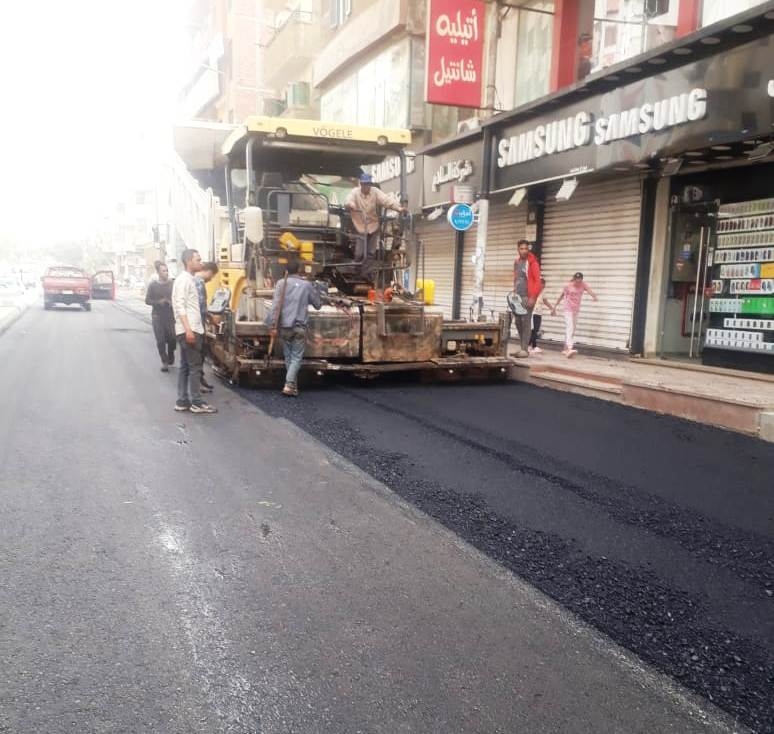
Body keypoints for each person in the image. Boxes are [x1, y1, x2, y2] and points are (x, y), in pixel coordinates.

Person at [265, 257, 322, 397]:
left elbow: (275, 307)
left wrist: (272, 325)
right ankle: (289, 384)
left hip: (284, 327)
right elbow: (318, 305)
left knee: (289, 357)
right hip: (300, 326)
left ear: (286, 270)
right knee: (296, 357)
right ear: (299, 270)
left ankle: (293, 387)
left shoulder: (280, 284)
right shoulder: (306, 285)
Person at [172, 249, 216, 413]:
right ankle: (197, 402)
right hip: (190, 331)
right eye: (198, 259)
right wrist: (189, 330)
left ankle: (182, 401)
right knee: (195, 367)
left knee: (185, 366)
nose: (201, 262)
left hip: (189, 329)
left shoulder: (188, 280)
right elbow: (180, 306)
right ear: (189, 261)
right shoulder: (185, 281)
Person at [344, 173, 405, 279]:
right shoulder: (355, 192)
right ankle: (357, 272)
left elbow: (386, 200)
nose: (366, 186)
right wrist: (351, 204)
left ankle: (367, 274)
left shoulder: (375, 192)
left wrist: (399, 208)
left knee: (371, 252)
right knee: (359, 253)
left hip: (373, 225)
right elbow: (348, 200)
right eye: (364, 184)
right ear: (361, 184)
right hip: (360, 226)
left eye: (368, 184)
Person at [555, 271, 598, 358]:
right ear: (574, 279)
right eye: (576, 281)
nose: (578, 283)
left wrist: (594, 296)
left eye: (580, 281)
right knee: (570, 327)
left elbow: (589, 291)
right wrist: (555, 307)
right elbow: (561, 296)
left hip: (576, 310)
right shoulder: (568, 286)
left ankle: (565, 349)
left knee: (572, 329)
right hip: (568, 309)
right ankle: (570, 348)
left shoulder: (583, 284)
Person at [511, 239, 542, 358]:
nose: (524, 251)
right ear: (518, 249)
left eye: (526, 248)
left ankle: (524, 349)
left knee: (526, 322)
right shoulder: (517, 261)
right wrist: (514, 292)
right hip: (517, 296)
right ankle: (523, 347)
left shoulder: (533, 262)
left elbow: (538, 282)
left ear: (528, 249)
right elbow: (516, 278)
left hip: (528, 296)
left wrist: (533, 297)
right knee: (518, 321)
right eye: (521, 248)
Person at [145, 261, 176, 372]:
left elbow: (178, 297)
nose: (166, 273)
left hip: (170, 315)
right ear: (158, 272)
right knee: (161, 340)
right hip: (157, 316)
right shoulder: (153, 285)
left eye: (167, 270)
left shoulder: (172, 284)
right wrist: (159, 302)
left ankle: (171, 353)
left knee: (172, 338)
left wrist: (172, 302)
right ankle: (164, 361)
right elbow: (147, 300)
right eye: (163, 271)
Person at [195, 261, 219, 394]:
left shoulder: (195, 280)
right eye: (213, 275)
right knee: (198, 355)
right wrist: (211, 318)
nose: (212, 278)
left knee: (200, 354)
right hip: (197, 325)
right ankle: (198, 384)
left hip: (198, 323)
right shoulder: (199, 282)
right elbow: (200, 306)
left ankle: (200, 380)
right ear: (209, 271)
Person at [529, 277, 555, 354]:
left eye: (543, 286)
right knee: (533, 330)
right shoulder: (532, 291)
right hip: (533, 313)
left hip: (539, 313)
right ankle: (533, 346)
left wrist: (552, 309)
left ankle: (529, 346)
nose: (542, 288)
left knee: (535, 330)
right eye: (541, 286)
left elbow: (545, 301)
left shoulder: (542, 292)